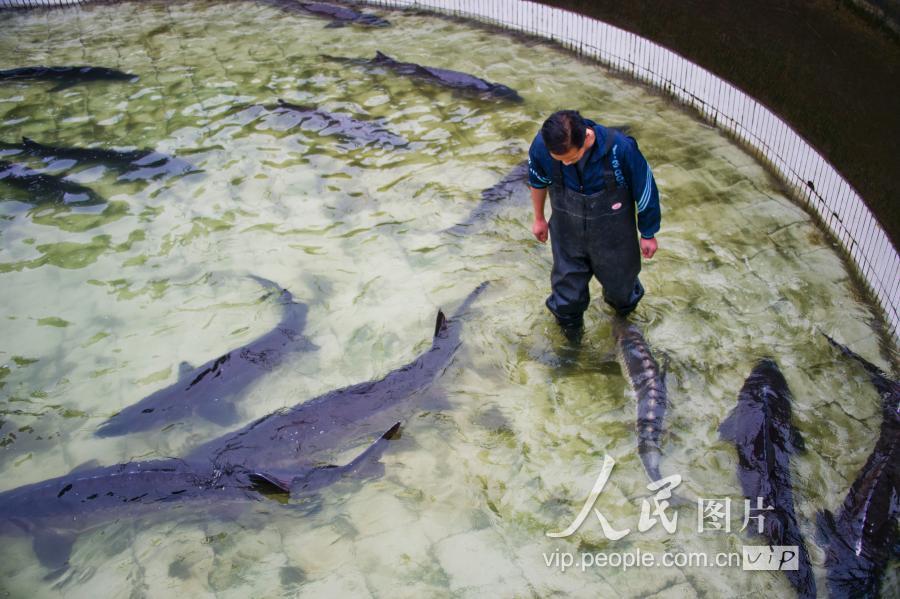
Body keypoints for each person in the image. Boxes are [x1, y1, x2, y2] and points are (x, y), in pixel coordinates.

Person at [528, 110, 660, 337]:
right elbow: (537, 180)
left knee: (622, 293)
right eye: (560, 161)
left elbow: (646, 190)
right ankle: (572, 346)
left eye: (571, 158)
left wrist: (648, 232)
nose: (566, 164)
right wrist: (539, 218)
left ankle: (623, 329)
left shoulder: (621, 149)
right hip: (568, 233)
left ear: (587, 138)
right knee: (566, 299)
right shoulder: (542, 146)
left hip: (615, 237)